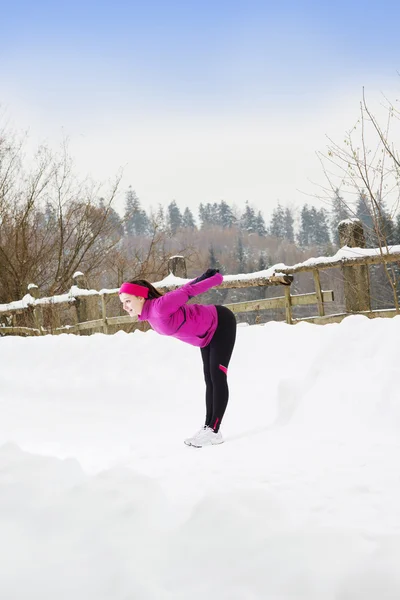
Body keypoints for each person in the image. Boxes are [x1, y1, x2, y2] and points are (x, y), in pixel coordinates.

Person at [119, 269, 236, 448]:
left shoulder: (159, 306)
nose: (125, 306)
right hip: (205, 336)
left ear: (141, 297)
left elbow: (187, 292)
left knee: (217, 376)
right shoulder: (150, 314)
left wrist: (215, 280)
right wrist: (203, 276)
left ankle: (213, 430)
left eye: (128, 301)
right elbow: (183, 289)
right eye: (123, 303)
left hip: (220, 323)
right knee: (209, 379)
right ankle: (209, 428)